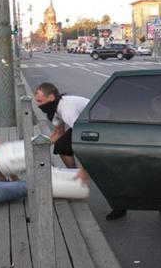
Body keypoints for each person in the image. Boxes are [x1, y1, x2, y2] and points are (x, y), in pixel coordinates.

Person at [34, 83, 126, 220]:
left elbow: (86, 138)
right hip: (86, 125)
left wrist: (86, 168)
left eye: (40, 101)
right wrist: (40, 146)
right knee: (62, 146)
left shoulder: (67, 111)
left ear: (51, 97)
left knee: (102, 167)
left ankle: (120, 206)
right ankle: (76, 178)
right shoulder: (54, 109)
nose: (37, 105)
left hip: (105, 124)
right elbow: (58, 133)